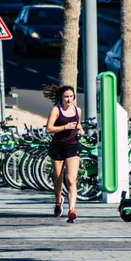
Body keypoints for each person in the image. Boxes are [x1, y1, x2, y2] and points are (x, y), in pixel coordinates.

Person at [43, 85, 84, 223]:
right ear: (61, 97)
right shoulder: (56, 110)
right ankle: (58, 201)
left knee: (71, 180)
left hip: (72, 147)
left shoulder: (77, 110)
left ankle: (72, 210)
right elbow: (48, 129)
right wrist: (65, 127)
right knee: (58, 179)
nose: (68, 99)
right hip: (57, 147)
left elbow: (79, 125)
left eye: (71, 96)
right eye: (66, 96)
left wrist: (80, 130)